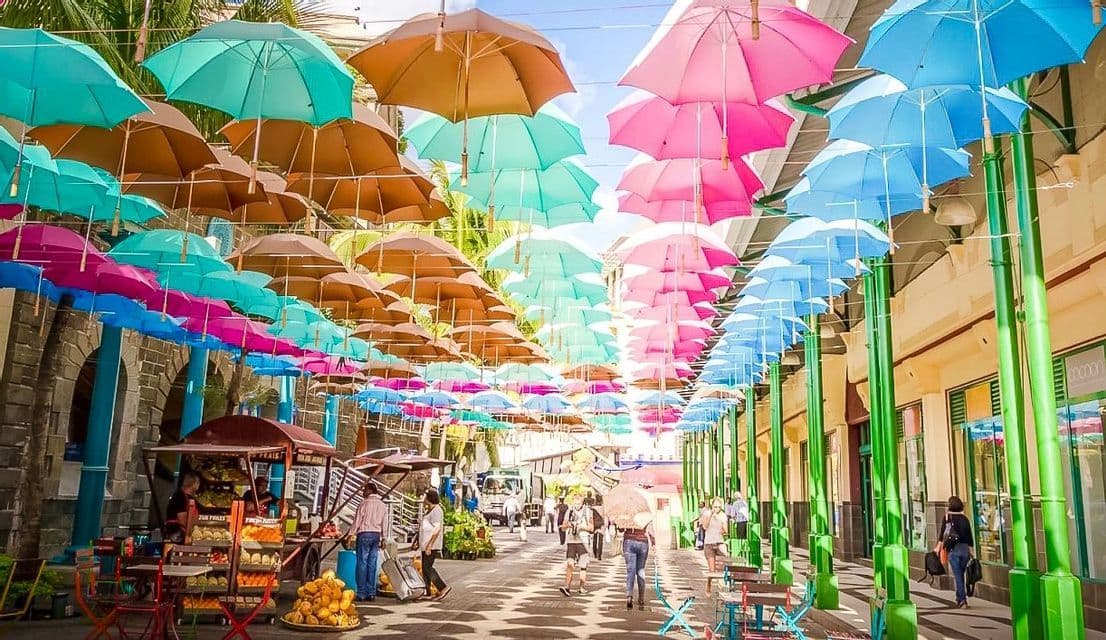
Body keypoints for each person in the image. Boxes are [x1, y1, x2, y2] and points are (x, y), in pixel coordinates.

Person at [349, 483, 388, 602]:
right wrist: (384, 538)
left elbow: (357, 521)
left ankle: (361, 593)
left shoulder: (364, 504)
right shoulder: (382, 505)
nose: (362, 492)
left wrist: (350, 534)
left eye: (364, 490)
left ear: (370, 490)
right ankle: (371, 593)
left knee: (362, 563)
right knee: (372, 564)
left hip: (364, 534)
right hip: (376, 536)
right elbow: (385, 522)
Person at [414, 488, 451, 601]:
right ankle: (427, 591)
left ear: (429, 498)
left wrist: (430, 544)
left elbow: (437, 528)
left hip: (431, 545)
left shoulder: (437, 511)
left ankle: (442, 587)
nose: (423, 498)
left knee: (427, 567)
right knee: (425, 569)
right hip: (425, 544)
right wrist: (416, 541)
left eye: (425, 496)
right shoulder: (429, 510)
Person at [942, 495, 975, 608]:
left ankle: (962, 600)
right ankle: (959, 596)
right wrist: (971, 550)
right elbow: (970, 537)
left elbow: (943, 535)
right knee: (961, 573)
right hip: (964, 549)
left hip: (954, 550)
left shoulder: (948, 518)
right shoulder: (965, 519)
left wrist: (940, 547)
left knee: (958, 576)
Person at [558, 495, 594, 596]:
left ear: (582, 503)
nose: (577, 506)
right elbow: (563, 527)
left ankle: (581, 587)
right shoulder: (569, 512)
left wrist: (582, 527)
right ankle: (567, 587)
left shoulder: (588, 512)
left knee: (583, 566)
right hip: (571, 541)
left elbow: (591, 528)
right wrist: (568, 525)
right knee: (570, 564)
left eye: (578, 504)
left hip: (583, 541)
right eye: (575, 504)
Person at [622, 522, 655, 610]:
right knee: (641, 570)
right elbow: (651, 532)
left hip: (628, 542)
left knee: (630, 571)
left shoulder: (627, 515)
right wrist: (653, 542)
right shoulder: (645, 515)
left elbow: (621, 529)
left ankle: (629, 596)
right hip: (643, 543)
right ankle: (641, 598)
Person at [699, 497, 729, 595]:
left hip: (719, 541)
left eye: (718, 507)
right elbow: (705, 526)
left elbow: (726, 530)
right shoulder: (707, 514)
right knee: (712, 570)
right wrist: (711, 515)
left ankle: (722, 581)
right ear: (712, 506)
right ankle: (708, 584)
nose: (716, 509)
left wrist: (723, 529)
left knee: (726, 558)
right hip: (709, 543)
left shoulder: (723, 515)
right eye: (715, 507)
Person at [165, 472, 200, 543]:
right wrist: (192, 532)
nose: (198, 485)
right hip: (177, 533)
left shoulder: (189, 497)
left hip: (182, 532)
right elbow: (182, 520)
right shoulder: (180, 496)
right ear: (194, 484)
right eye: (198, 483)